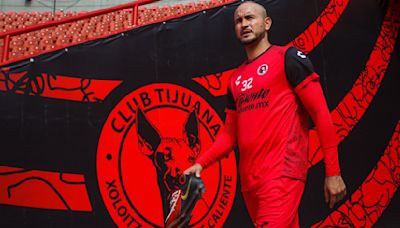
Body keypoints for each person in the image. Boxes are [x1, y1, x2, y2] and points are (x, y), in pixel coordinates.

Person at [184, 1, 347, 227]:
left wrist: (333, 172)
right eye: (239, 21)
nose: (244, 24)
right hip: (250, 182)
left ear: (267, 23)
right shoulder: (235, 79)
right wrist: (200, 163)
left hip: (282, 173)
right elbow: (230, 135)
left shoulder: (287, 58)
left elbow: (320, 114)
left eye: (250, 18)